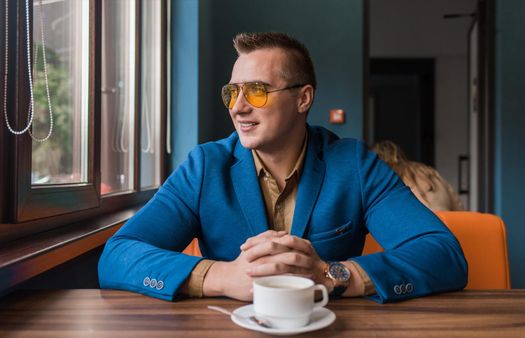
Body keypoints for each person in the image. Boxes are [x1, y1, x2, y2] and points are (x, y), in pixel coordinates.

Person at [98, 32, 467, 303]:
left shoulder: (354, 163)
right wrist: (222, 277)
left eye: (256, 91)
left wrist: (333, 275)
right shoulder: (204, 166)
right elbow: (117, 256)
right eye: (232, 92)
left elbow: (444, 254)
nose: (238, 108)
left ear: (303, 98)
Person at [371, 140, 465, 212]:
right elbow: (459, 207)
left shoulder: (388, 180)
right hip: (450, 229)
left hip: (423, 233)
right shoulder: (428, 171)